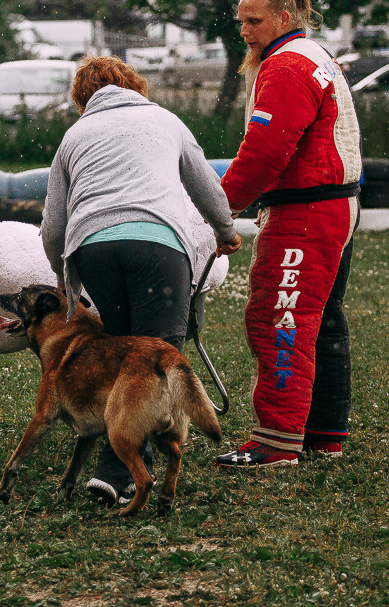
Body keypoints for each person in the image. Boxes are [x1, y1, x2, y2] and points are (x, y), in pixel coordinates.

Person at [40, 56, 242, 504]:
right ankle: (121, 471)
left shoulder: (74, 136)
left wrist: (62, 276)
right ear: (134, 85)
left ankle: (128, 461)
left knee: (125, 350)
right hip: (157, 246)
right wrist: (225, 231)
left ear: (82, 99)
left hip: (92, 248)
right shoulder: (164, 120)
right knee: (154, 355)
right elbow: (206, 185)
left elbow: (53, 227)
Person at [215, 0, 361, 469]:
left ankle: (276, 442)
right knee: (323, 322)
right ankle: (323, 432)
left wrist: (218, 213)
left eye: (254, 21)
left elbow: (263, 154)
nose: (246, 32)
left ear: (284, 18)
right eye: (241, 22)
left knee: (280, 317)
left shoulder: (286, 67)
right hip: (334, 204)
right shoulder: (315, 55)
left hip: (305, 209)